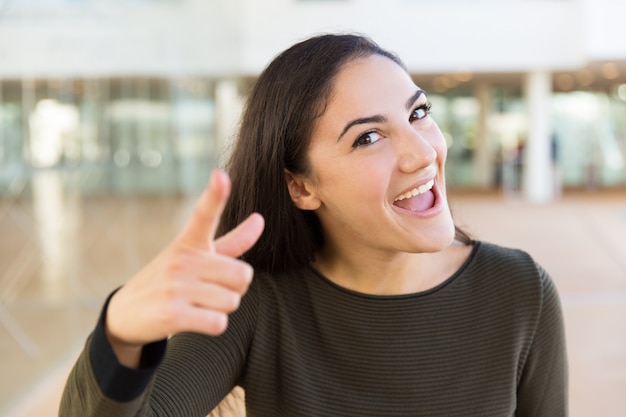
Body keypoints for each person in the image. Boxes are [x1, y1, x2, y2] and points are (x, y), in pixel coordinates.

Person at [59, 33, 568, 417]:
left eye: (418, 113)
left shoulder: (521, 291)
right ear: (301, 187)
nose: (423, 152)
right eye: (368, 138)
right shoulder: (256, 303)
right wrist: (120, 332)